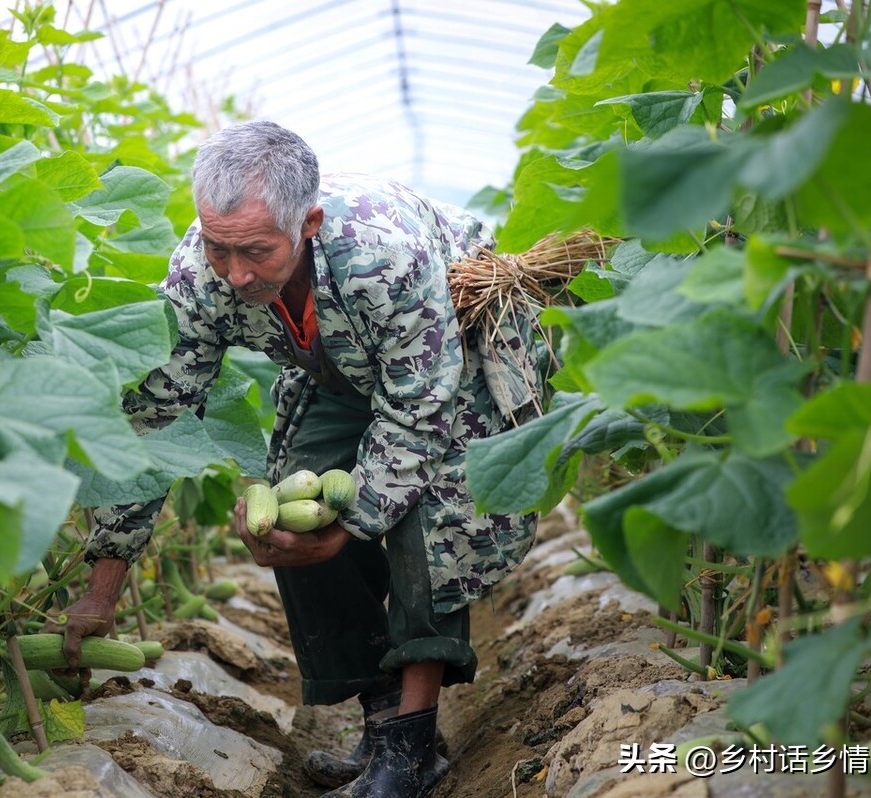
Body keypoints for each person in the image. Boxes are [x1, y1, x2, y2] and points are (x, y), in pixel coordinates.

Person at [49, 120, 539, 797]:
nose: (236, 272)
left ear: (307, 223)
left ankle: (414, 746)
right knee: (291, 509)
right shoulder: (203, 273)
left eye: (254, 251)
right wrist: (103, 588)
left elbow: (417, 414)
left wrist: (358, 519)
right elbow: (159, 416)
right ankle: (380, 720)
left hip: (447, 356)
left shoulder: (383, 257)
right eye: (220, 249)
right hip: (331, 366)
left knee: (429, 521)